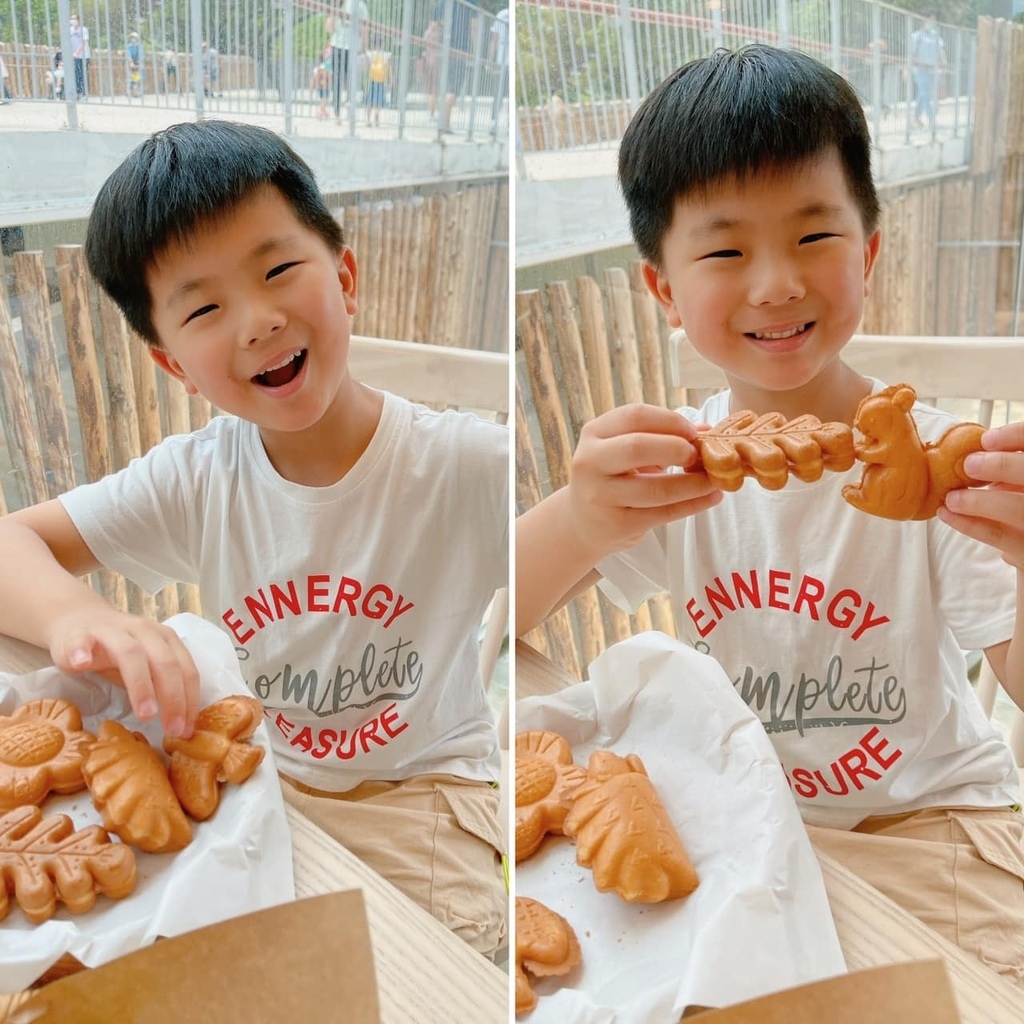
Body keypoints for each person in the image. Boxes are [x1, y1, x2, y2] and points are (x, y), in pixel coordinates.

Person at [516, 45, 1024, 985]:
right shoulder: (677, 473)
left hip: (931, 830)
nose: (777, 283)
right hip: (746, 828)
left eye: (814, 236)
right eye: (723, 250)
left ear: (868, 253)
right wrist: (581, 519)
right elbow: (483, 613)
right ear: (663, 289)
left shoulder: (939, 468)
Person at [0, 120, 508, 959]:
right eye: (204, 307)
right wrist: (81, 621)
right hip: (252, 783)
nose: (258, 320)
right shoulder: (195, 478)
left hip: (418, 798)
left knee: (430, 984)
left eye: (278, 270)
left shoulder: (463, 466)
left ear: (345, 278)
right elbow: (13, 542)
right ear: (172, 364)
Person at [429, 0, 478, 134]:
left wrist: (437, 43)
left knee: (444, 86)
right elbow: (474, 27)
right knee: (453, 88)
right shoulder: (471, 2)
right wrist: (474, 51)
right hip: (461, 50)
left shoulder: (442, 2)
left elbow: (434, 26)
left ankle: (441, 121)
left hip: (445, 49)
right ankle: (445, 124)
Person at [325, 0, 368, 124]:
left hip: (351, 48)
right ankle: (338, 112)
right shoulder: (340, 4)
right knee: (340, 80)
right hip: (338, 46)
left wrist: (363, 49)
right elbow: (329, 28)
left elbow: (364, 28)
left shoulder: (360, 5)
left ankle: (346, 112)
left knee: (348, 81)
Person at [910, 10, 945, 130]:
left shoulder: (936, 36)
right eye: (931, 20)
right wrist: (907, 69)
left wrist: (942, 66)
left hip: (932, 71)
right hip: (920, 70)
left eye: (934, 20)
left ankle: (915, 118)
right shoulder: (916, 37)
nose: (933, 22)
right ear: (924, 20)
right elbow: (912, 55)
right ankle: (932, 120)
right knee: (926, 95)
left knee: (922, 95)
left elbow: (941, 53)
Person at [69, 13, 88, 98]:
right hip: (73, 56)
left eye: (74, 19)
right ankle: (76, 93)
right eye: (71, 18)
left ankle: (83, 93)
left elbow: (84, 42)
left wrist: (77, 53)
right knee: (75, 75)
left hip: (83, 56)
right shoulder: (70, 30)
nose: (72, 20)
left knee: (81, 75)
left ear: (78, 20)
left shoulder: (83, 30)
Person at [126, 32, 144, 99]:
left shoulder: (139, 47)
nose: (133, 39)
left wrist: (139, 64)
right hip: (131, 64)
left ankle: (138, 92)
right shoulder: (129, 46)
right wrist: (131, 63)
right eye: (132, 38)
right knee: (130, 78)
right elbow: (128, 55)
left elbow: (141, 55)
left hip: (138, 64)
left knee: (138, 78)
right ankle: (129, 92)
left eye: (134, 38)